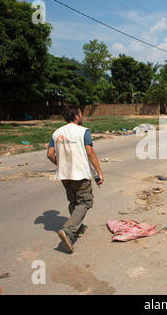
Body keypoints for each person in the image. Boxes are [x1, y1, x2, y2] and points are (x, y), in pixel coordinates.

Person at [47, 106, 104, 253]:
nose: (82, 115)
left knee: (74, 201)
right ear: (76, 116)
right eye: (80, 113)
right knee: (85, 201)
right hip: (80, 174)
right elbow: (90, 153)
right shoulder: (83, 131)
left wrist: (60, 164)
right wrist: (98, 172)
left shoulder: (56, 133)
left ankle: (76, 228)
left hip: (64, 175)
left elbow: (49, 154)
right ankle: (68, 231)